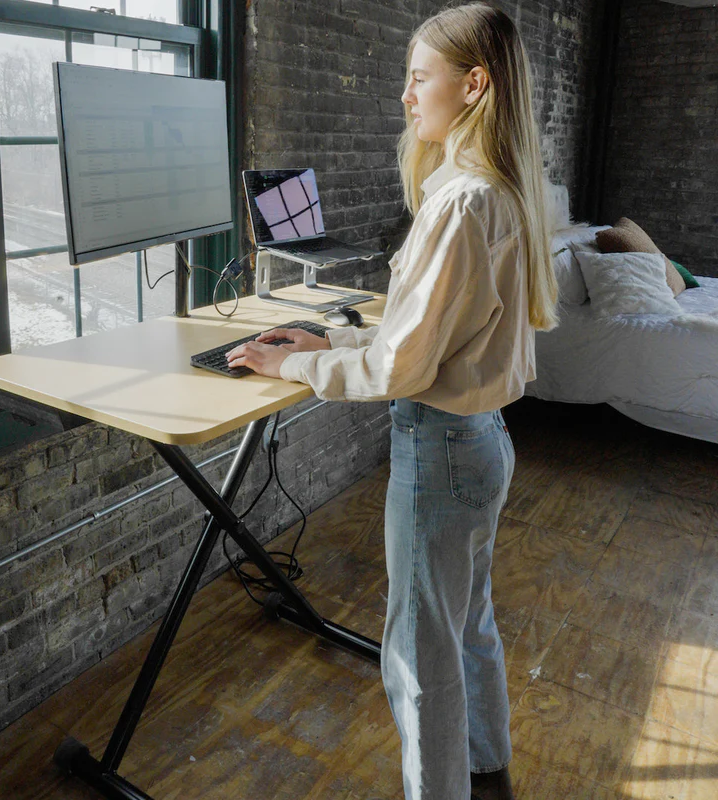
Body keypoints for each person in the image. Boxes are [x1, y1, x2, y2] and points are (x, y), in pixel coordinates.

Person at [227, 3, 557, 798]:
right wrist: (326, 346)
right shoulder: (499, 190)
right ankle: (484, 767)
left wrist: (291, 371)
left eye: (419, 78)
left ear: (474, 85)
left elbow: (403, 368)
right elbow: (430, 342)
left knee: (418, 657)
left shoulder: (462, 202)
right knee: (464, 626)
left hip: (441, 451)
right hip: (481, 441)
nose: (406, 98)